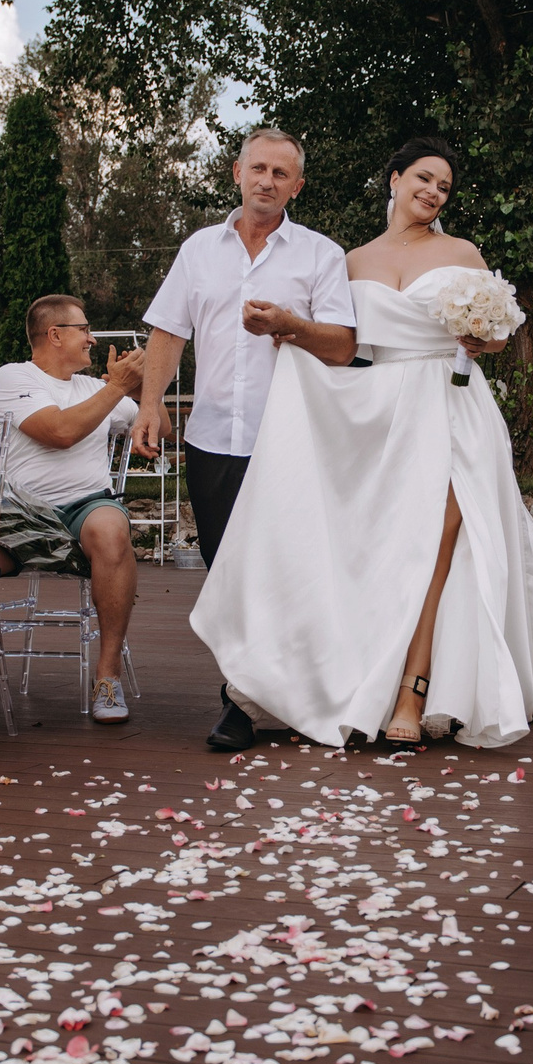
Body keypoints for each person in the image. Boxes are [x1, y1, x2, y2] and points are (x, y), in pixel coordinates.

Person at [192, 137, 533, 751]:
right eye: (423, 178)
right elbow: (341, 345)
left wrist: (483, 337)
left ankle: (414, 690)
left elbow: (497, 335)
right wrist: (290, 336)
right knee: (387, 548)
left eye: (443, 186)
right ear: (393, 179)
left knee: (443, 537)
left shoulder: (461, 251)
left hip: (450, 405)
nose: (432, 192)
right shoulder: (351, 261)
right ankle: (357, 675)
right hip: (378, 416)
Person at [132, 126, 360, 749]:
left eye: (280, 174)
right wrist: (150, 406)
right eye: (258, 168)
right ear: (236, 172)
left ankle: (272, 697)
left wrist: (291, 326)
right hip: (211, 440)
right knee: (225, 573)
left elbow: (343, 347)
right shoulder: (199, 249)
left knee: (287, 570)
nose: (267, 181)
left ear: (298, 186)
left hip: (290, 441)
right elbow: (166, 335)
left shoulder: (320, 254)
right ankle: (243, 693)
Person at [0, 296, 144, 723]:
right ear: (55, 335)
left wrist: (143, 386)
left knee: (112, 530)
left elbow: (157, 429)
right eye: (84, 329)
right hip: (18, 514)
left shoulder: (96, 389)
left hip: (86, 506)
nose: (92, 338)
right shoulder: (12, 377)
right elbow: (60, 431)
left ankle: (107, 678)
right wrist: (117, 388)